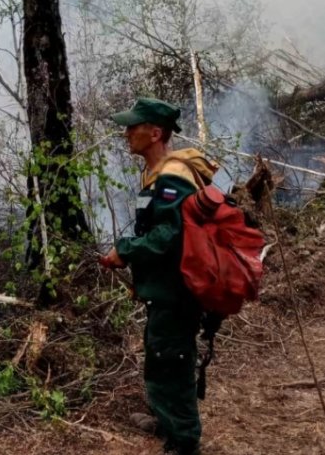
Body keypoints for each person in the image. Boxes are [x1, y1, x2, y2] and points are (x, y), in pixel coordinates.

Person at [100, 97, 216, 455]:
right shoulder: (154, 174)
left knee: (173, 360)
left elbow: (172, 234)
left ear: (155, 132)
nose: (126, 133)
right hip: (164, 289)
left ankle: (183, 440)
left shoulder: (171, 178)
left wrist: (127, 251)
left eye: (133, 127)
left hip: (177, 291)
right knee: (161, 356)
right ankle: (168, 423)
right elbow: (154, 228)